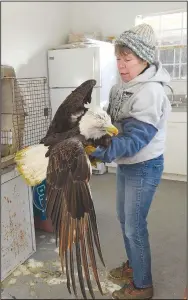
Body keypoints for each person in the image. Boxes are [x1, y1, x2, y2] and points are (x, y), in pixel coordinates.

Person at [90, 23, 172, 299]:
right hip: (127, 164)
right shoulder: (120, 87)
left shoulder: (151, 92)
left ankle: (143, 285)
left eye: (128, 60)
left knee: (134, 225)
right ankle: (134, 267)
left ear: (145, 59)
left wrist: (95, 151)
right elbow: (111, 121)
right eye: (118, 59)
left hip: (144, 166)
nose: (122, 66)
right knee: (125, 220)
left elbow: (133, 140)